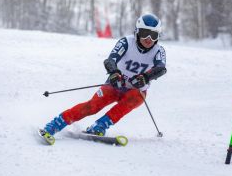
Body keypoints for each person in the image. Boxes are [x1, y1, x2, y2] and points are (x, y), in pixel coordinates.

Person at [39, 13, 167, 144]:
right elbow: (111, 60)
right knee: (92, 107)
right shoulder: (127, 42)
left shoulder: (158, 51)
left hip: (136, 91)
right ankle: (54, 125)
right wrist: (114, 73)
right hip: (116, 85)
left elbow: (161, 68)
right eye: (145, 33)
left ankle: (99, 126)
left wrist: (145, 77)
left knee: (133, 99)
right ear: (137, 32)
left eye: (154, 35)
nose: (149, 38)